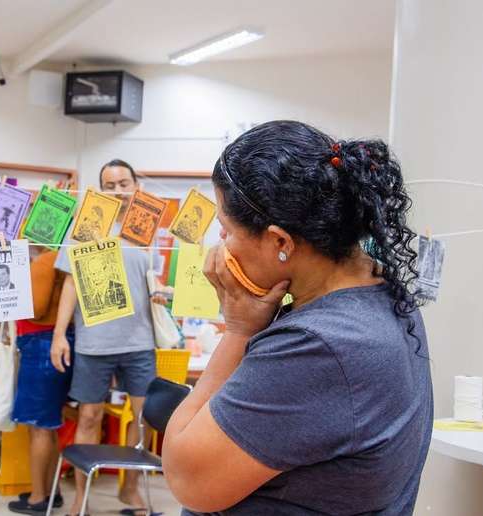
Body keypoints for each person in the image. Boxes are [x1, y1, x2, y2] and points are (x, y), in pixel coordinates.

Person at [162, 121, 432, 515]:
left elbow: (187, 478)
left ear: (280, 242)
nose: (221, 246)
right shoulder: (385, 296)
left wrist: (238, 331)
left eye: (225, 230)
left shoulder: (321, 345)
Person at [51, 159, 157, 516]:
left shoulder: (148, 227)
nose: (117, 191)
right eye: (109, 185)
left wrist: (162, 292)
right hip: (95, 340)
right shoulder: (88, 226)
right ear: (99, 189)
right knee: (90, 417)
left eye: (123, 183)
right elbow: (70, 283)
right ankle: (82, 495)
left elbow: (152, 281)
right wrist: (58, 336)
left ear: (135, 184)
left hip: (140, 340)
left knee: (142, 418)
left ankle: (129, 490)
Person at [7, 247, 73, 514]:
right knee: (49, 423)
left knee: (39, 425)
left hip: (41, 344)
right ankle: (50, 490)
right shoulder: (57, 258)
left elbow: (36, 307)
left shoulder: (47, 259)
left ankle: (38, 497)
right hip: (48, 342)